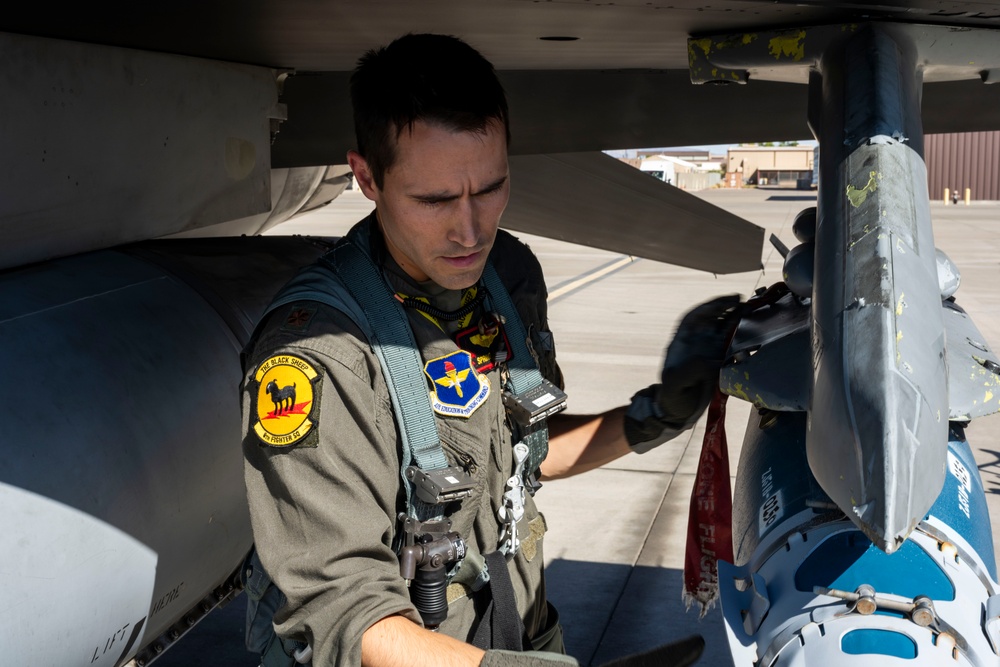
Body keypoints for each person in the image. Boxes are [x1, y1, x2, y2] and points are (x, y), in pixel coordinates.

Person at [241, 33, 737, 667]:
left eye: (491, 189)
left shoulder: (506, 276)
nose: (471, 231)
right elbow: (344, 615)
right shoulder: (319, 355)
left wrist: (657, 416)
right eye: (436, 200)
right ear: (366, 177)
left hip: (521, 637)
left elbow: (522, 459)